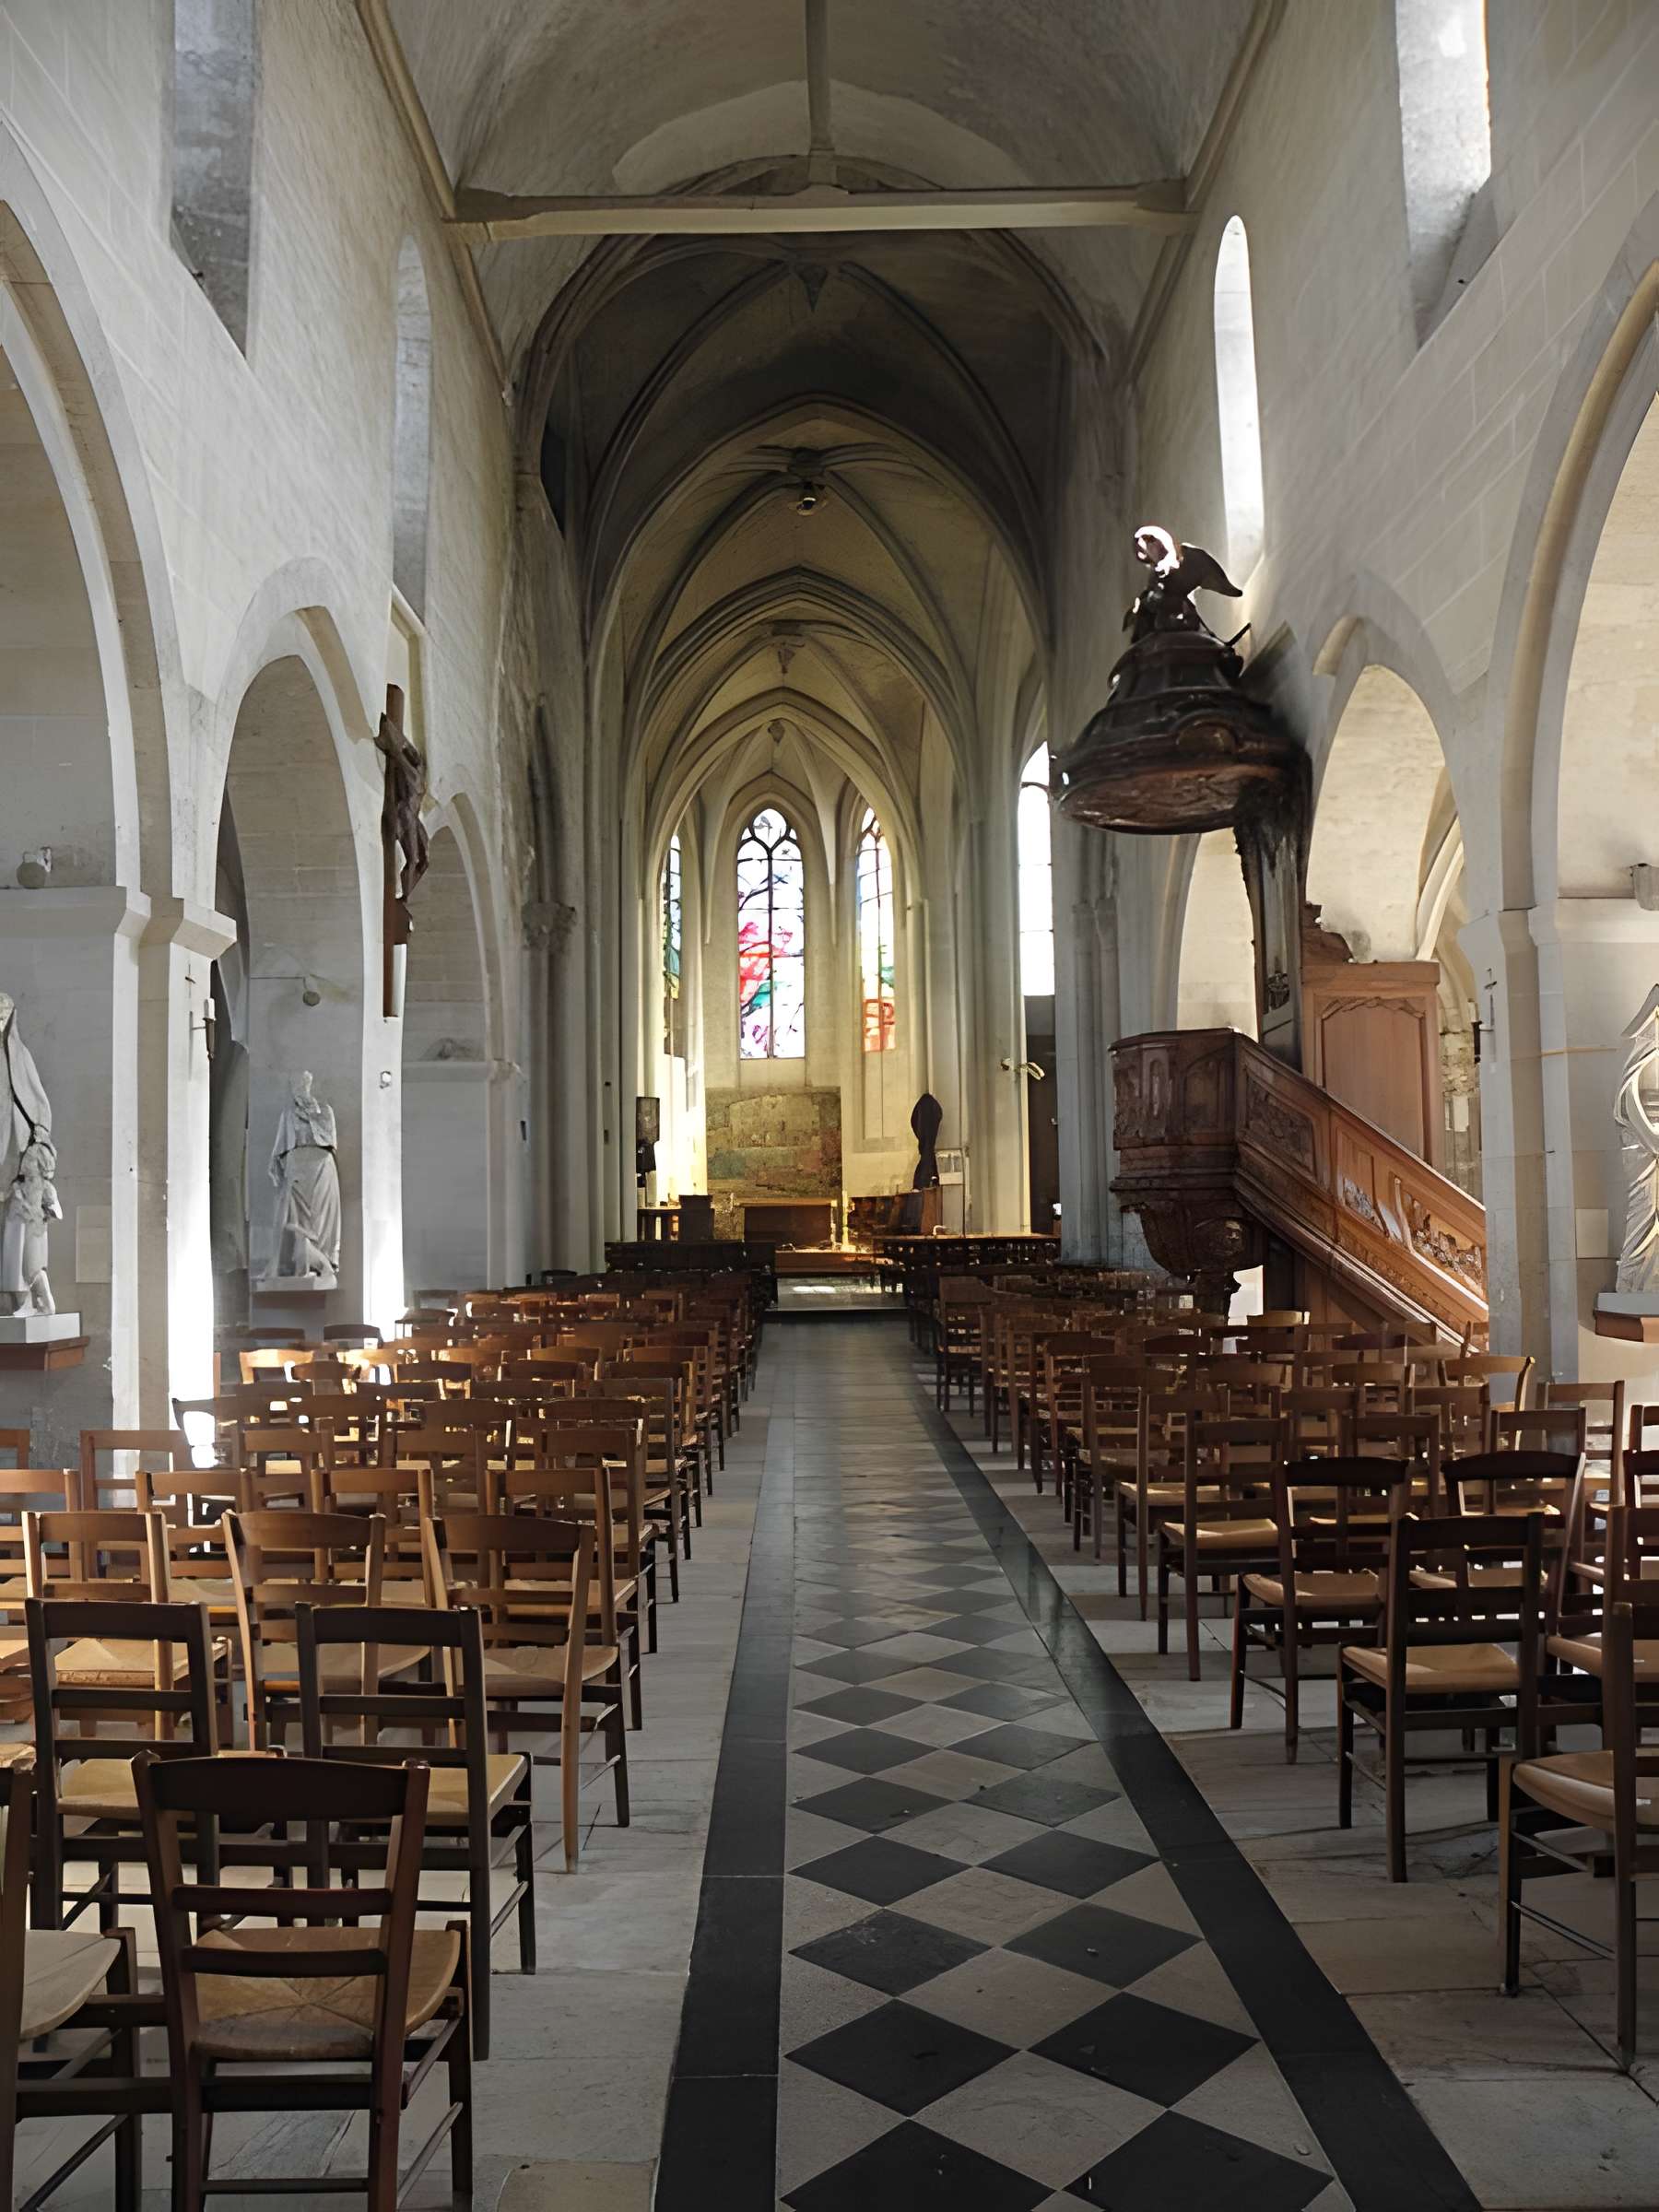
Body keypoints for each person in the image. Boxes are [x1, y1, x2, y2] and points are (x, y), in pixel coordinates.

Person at [266, 1070, 342, 1283]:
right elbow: (280, 1144)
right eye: (296, 1085)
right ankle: (296, 1263)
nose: (300, 1089)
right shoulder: (288, 1114)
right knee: (292, 1219)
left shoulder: (324, 1111)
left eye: (304, 1084)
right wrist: (275, 1165)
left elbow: (330, 1140)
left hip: (321, 1167)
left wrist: (311, 1115)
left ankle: (321, 1264)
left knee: (321, 1220)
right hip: (296, 1169)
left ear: (310, 1085)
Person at [2, 1137, 61, 1316]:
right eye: (26, 1160)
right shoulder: (17, 1185)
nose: (26, 1164)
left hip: (33, 1231)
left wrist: (40, 1213)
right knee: (16, 1272)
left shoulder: (45, 1188)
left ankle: (46, 1304)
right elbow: (4, 1198)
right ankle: (25, 1305)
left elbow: (56, 1212)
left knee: (33, 1268)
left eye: (31, 1160)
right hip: (15, 1232)